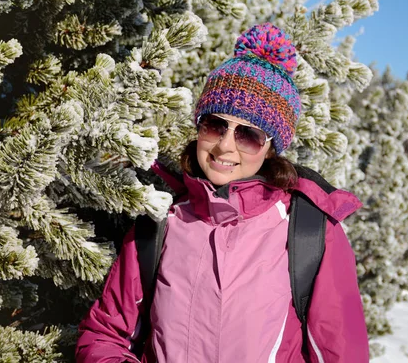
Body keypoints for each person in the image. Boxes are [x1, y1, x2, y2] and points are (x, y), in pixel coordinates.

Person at [76, 23, 369, 362]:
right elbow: (105, 335)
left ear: (271, 148)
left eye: (249, 134)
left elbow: (341, 353)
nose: (225, 147)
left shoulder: (310, 232)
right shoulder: (159, 225)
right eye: (215, 125)